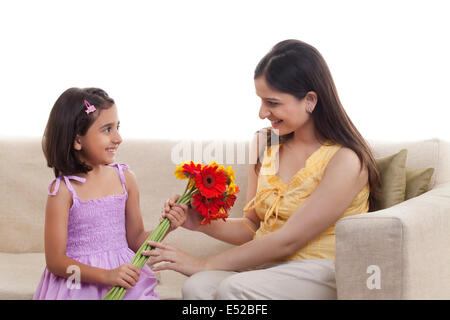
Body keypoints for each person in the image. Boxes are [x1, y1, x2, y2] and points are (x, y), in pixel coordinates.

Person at [142, 39, 381, 300]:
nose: (262, 112)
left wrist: (204, 263)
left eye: (272, 103)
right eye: (261, 101)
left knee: (230, 288)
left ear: (310, 100)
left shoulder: (346, 160)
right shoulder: (265, 143)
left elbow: (289, 239)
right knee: (196, 287)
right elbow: (252, 227)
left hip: (321, 271)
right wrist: (200, 223)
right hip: (268, 270)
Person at [33, 87, 186, 300]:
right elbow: (56, 261)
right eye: (107, 129)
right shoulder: (63, 191)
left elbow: (135, 239)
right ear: (77, 140)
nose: (118, 138)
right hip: (78, 283)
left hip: (125, 277)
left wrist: (167, 225)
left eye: (118, 127)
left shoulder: (125, 179)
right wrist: (106, 276)